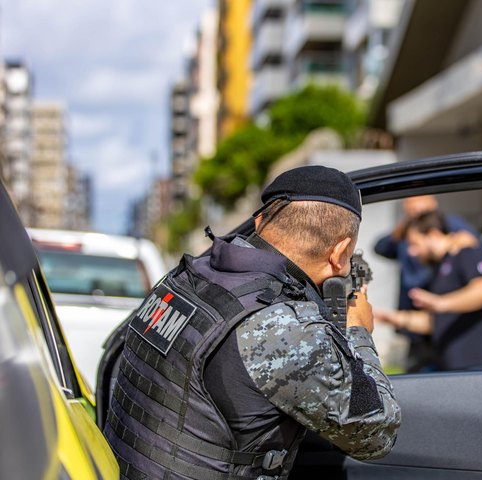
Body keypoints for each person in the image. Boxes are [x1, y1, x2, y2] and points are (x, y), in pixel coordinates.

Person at [104, 166, 401, 480]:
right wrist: (358, 331)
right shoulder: (283, 326)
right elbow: (374, 435)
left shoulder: (186, 278)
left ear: (259, 222)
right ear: (339, 253)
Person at [375, 210, 482, 371]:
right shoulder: (437, 270)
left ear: (433, 234)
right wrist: (396, 318)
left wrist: (440, 303)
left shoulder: (465, 250)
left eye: (414, 244)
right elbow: (435, 321)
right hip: (453, 366)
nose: (411, 252)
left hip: (481, 364)